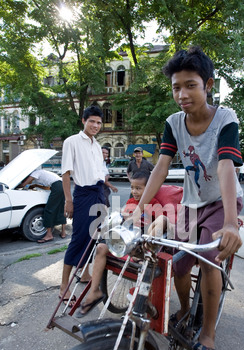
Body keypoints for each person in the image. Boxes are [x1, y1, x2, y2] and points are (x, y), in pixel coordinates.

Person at [132, 46, 243, 350]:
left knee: (209, 254)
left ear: (208, 84)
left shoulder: (226, 119)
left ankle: (207, 335)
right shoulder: (173, 124)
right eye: (176, 87)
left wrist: (229, 222)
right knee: (177, 263)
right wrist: (135, 212)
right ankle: (186, 309)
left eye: (190, 85)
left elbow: (225, 166)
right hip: (191, 203)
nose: (182, 94)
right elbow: (161, 168)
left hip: (222, 203)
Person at [75, 170, 168, 318]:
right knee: (100, 247)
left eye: (138, 188)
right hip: (125, 239)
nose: (134, 191)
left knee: (161, 220)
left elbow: (159, 225)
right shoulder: (131, 202)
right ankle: (94, 292)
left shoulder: (154, 204)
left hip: (143, 241)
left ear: (149, 189)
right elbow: (122, 222)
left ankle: (142, 253)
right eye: (132, 188)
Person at [59, 105, 107, 307]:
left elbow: (101, 172)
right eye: (92, 121)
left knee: (96, 237)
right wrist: (68, 200)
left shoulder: (97, 146)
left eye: (98, 122)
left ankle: (86, 273)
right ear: (84, 121)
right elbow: (66, 174)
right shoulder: (72, 142)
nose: (95, 125)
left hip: (99, 194)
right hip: (83, 195)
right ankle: (63, 286)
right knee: (79, 238)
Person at [18, 169, 66, 242]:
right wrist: (36, 185)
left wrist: (18, 186)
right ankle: (63, 232)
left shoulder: (35, 173)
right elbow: (48, 187)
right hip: (63, 185)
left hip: (58, 187)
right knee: (60, 208)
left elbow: (24, 184)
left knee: (49, 210)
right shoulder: (43, 172)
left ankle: (49, 235)